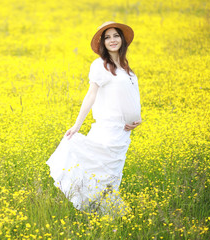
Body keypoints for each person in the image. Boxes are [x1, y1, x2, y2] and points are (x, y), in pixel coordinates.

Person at [46, 21, 142, 216]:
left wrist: (137, 119)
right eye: (107, 37)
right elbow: (91, 95)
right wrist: (76, 125)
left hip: (122, 134)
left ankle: (102, 214)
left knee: (112, 177)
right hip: (106, 130)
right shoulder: (100, 65)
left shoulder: (125, 67)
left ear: (122, 40)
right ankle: (94, 212)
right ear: (103, 43)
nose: (112, 40)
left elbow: (130, 96)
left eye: (116, 36)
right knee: (98, 173)